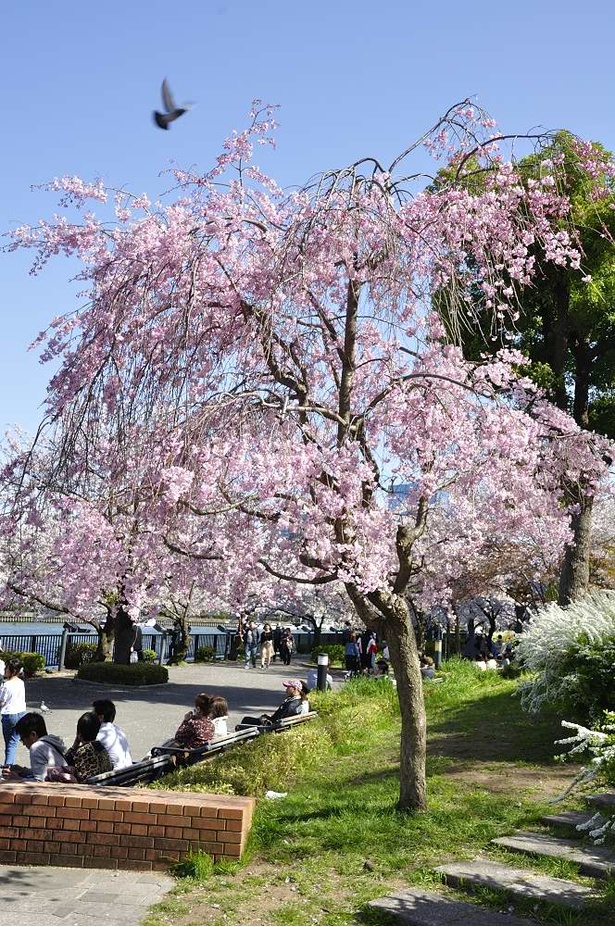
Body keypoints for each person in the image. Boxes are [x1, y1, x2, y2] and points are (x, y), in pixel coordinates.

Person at [2, 712, 67, 781]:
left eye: (23, 739)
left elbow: (39, 782)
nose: (23, 744)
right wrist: (24, 770)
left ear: (33, 734)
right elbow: (44, 772)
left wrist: (18, 779)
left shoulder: (36, 747)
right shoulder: (51, 741)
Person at [65, 712, 113, 781]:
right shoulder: (101, 747)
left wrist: (75, 744)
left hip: (89, 787)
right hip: (103, 783)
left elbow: (65, 761)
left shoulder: (82, 752)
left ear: (79, 734)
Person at [92, 699, 133, 769]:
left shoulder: (100, 734)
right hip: (129, 773)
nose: (91, 717)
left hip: (115, 777)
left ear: (101, 717)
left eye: (93, 714)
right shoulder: (118, 730)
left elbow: (87, 755)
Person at [0, 658, 27, 767]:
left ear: (12, 671)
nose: (5, 670)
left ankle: (8, 766)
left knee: (10, 743)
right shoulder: (21, 683)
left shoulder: (6, 685)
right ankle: (8, 763)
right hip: (21, 713)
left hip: (9, 714)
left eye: (7, 668)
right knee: (14, 741)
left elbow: (1, 701)